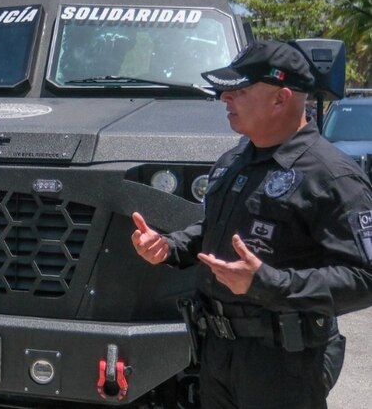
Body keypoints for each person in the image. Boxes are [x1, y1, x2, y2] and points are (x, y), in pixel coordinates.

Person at [130, 40, 372, 408]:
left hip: (283, 364)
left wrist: (267, 284)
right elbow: (214, 230)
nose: (225, 98)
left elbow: (364, 279)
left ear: (281, 98)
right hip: (218, 354)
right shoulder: (233, 161)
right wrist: (171, 246)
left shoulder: (333, 176)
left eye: (239, 90)